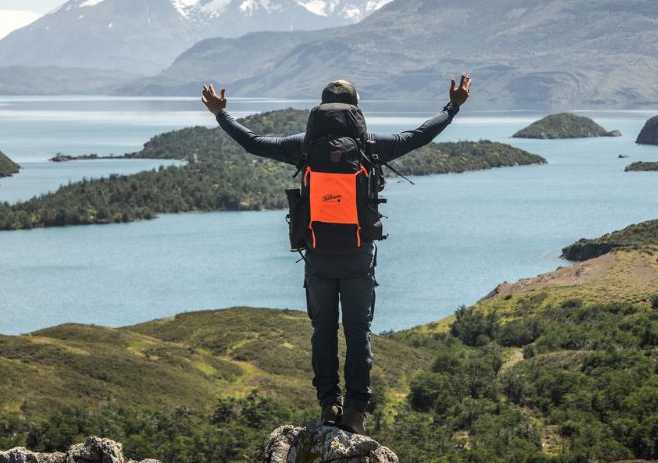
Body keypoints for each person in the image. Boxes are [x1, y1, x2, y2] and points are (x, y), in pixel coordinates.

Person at [201, 74, 471, 435]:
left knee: (323, 330)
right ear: (356, 108)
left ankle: (330, 404)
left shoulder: (304, 146)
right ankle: (356, 411)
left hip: (317, 256)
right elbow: (418, 136)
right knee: (358, 332)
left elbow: (254, 142)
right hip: (359, 255)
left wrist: (222, 114)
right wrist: (452, 107)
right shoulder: (369, 145)